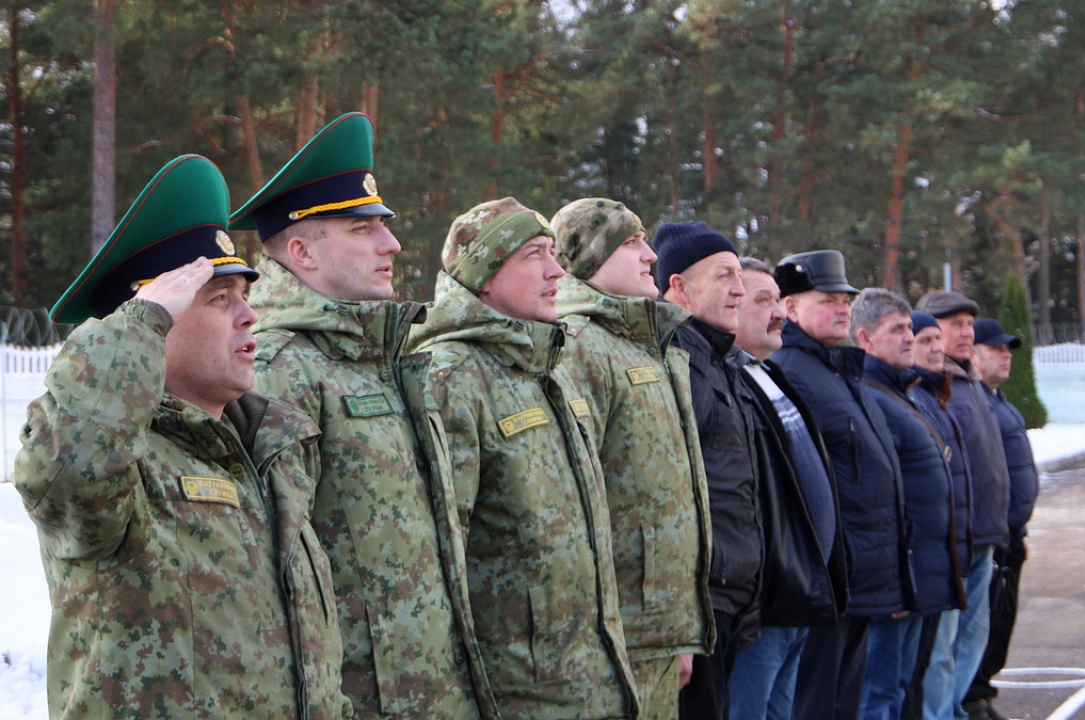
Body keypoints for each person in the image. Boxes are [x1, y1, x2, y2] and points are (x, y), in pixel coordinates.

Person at [14, 155, 347, 718]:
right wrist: (136, 325)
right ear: (153, 325)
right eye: (219, 298)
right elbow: (70, 471)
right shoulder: (123, 461)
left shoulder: (270, 450)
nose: (249, 316)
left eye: (245, 296)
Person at [228, 112, 492, 718]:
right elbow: (265, 576)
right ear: (301, 251)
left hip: (434, 691)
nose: (391, 244)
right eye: (362, 228)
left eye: (384, 227)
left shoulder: (379, 356)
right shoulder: (277, 369)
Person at [411, 197, 638, 719]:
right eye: (534, 255)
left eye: (554, 253)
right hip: (515, 692)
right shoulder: (451, 378)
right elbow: (442, 561)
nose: (556, 270)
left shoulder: (546, 366)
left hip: (585, 679)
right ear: (484, 274)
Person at [550, 198, 716, 719]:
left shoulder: (644, 341)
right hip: (615, 632)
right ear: (591, 257)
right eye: (630, 243)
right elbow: (574, 499)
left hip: (657, 628)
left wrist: (678, 626)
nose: (650, 256)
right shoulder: (576, 344)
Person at [769, 250, 912, 720]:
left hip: (859, 579)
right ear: (791, 308)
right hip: (829, 580)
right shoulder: (791, 372)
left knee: (843, 702)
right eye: (827, 300)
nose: (842, 308)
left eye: (845, 300)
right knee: (816, 705)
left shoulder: (836, 370)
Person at [727, 258, 848, 720]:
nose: (778, 312)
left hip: (799, 596)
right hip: (768, 603)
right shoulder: (726, 381)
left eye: (778, 300)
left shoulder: (767, 372)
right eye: (764, 301)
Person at [654, 221, 764, 720]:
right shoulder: (675, 362)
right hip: (701, 605)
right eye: (724, 276)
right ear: (678, 287)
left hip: (731, 599)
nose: (739, 289)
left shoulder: (720, 362)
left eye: (739, 275)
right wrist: (680, 621)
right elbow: (665, 495)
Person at [851, 290, 962, 720]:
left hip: (916, 574)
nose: (909, 338)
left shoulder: (901, 393)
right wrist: (893, 580)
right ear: (865, 338)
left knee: (898, 686)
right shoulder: (871, 397)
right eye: (897, 329)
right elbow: (872, 499)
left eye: (909, 328)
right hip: (895, 580)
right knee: (878, 692)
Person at [914, 291, 1010, 720]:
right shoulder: (932, 384)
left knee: (973, 635)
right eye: (955, 325)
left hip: (985, 534)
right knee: (943, 646)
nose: (966, 333)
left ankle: (955, 710)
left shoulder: (970, 381)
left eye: (969, 324)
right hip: (953, 539)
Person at [962, 319, 1040, 720]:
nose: (1006, 356)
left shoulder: (997, 399)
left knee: (1000, 621)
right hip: (992, 535)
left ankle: (981, 695)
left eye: (1008, 349)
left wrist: (1018, 530)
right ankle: (972, 699)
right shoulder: (974, 401)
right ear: (974, 356)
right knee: (984, 623)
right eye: (997, 349)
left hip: (1009, 534)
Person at [904, 310, 974, 720]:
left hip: (956, 548)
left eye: (936, 339)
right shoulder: (912, 397)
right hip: (927, 558)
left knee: (943, 653)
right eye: (923, 340)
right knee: (930, 660)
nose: (935, 348)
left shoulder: (938, 395)